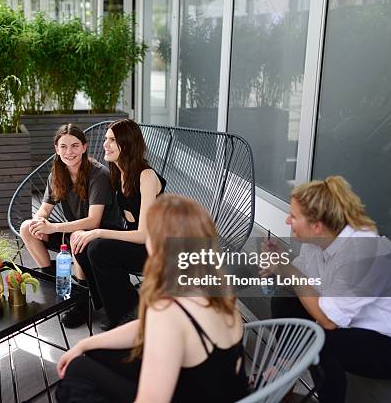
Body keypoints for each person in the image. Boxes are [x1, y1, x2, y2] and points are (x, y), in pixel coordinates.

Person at [56, 194, 249, 402]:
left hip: (187, 394)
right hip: (217, 389)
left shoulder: (169, 310)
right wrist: (85, 344)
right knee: (96, 353)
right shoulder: (217, 290)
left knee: (78, 370)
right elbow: (145, 326)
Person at [264, 176, 391, 403]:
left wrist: (288, 271)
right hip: (357, 323)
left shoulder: (364, 253)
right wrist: (278, 268)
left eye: (294, 216)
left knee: (320, 340)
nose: (288, 220)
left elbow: (328, 320)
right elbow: (303, 281)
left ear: (317, 226)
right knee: (283, 301)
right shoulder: (318, 241)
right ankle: (283, 381)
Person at [71, 119, 166, 330]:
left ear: (127, 143)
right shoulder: (118, 174)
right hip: (136, 243)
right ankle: (111, 304)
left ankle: (128, 310)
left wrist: (98, 232)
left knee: (97, 245)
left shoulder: (146, 176)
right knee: (82, 241)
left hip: (157, 249)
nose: (106, 144)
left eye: (112, 140)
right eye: (106, 139)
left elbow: (143, 235)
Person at [19, 124, 118, 327]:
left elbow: (93, 221)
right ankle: (52, 283)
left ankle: (82, 301)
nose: (69, 152)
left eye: (74, 146)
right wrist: (40, 221)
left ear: (84, 147)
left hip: (101, 236)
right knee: (27, 227)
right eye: (63, 146)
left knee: (77, 237)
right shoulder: (58, 173)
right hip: (73, 230)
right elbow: (44, 210)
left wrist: (53, 228)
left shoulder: (98, 175)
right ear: (56, 149)